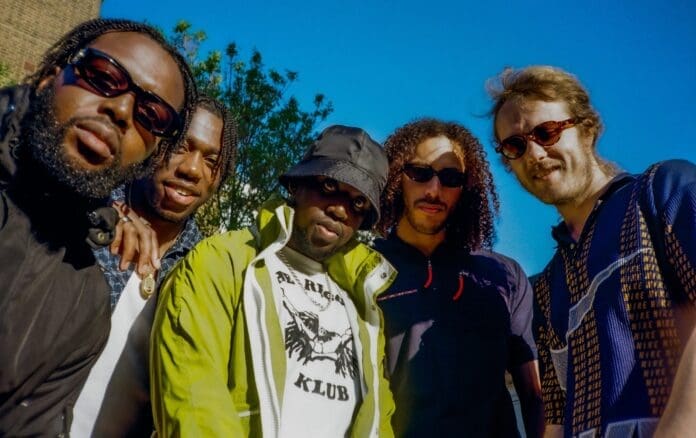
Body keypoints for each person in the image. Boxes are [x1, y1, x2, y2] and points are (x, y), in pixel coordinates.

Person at [0, 19, 196, 435]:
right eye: (103, 77)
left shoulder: (85, 305)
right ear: (49, 80)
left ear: (147, 158)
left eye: (151, 114)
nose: (122, 111)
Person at [488, 65, 696, 437]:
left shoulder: (661, 193)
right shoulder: (548, 285)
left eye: (547, 132)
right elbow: (554, 415)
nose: (534, 153)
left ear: (586, 129)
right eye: (516, 146)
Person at [150, 125, 396, 437]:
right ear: (297, 185)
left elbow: (379, 417)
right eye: (329, 186)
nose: (339, 209)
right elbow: (193, 399)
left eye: (358, 203)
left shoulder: (364, 303)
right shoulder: (222, 262)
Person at [70, 96, 237, 437]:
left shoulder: (205, 271)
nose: (192, 169)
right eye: (180, 147)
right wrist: (102, 213)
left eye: (211, 160)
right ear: (153, 142)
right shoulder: (84, 212)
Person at [374, 118, 543, 437]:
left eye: (451, 178)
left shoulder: (503, 275)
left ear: (467, 189)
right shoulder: (363, 267)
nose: (433, 190)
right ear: (397, 177)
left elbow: (534, 395)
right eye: (420, 173)